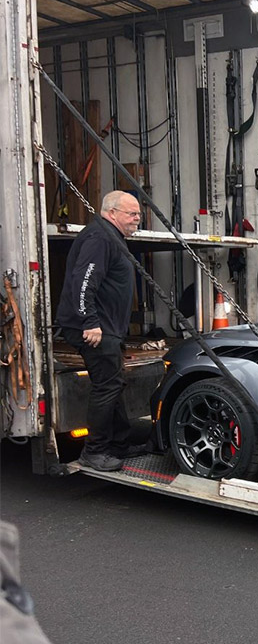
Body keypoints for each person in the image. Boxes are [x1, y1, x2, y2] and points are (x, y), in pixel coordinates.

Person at [55, 190, 144, 472]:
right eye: (132, 213)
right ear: (112, 213)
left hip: (106, 328)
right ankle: (94, 452)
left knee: (113, 384)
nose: (137, 218)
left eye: (138, 214)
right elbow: (84, 282)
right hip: (95, 329)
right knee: (106, 387)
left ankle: (119, 444)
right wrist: (89, 322)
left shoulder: (110, 236)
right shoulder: (100, 237)